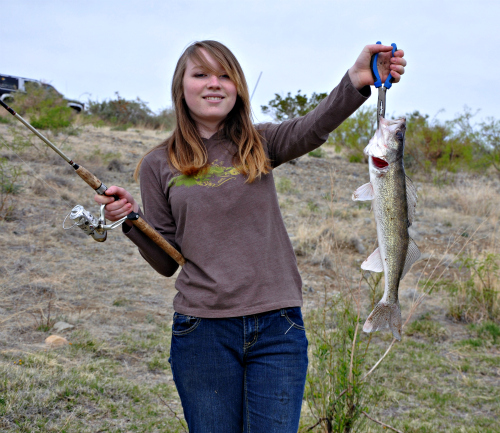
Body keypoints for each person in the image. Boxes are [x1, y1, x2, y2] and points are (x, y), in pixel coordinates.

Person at [95, 40, 406, 433]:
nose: (214, 84)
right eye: (201, 74)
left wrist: (357, 81)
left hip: (279, 329)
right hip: (202, 332)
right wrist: (131, 221)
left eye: (225, 75)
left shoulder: (261, 142)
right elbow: (165, 261)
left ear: (238, 87)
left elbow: (313, 127)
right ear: (181, 87)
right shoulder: (158, 164)